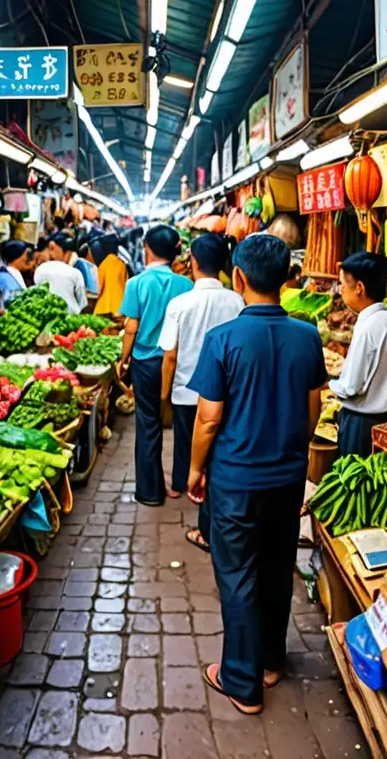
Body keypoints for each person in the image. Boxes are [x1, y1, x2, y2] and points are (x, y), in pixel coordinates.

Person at [187, 233, 325, 716]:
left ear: (238, 278)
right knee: (274, 567)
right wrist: (288, 447)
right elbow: (313, 410)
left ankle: (241, 681)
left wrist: (195, 470)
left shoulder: (222, 339)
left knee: (238, 573)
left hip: (236, 480)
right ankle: (269, 662)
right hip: (286, 478)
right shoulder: (308, 336)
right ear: (289, 279)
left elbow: (208, 418)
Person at [158, 234, 244, 549]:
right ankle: (211, 485)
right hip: (226, 391)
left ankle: (181, 485)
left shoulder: (180, 303)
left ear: (194, 262)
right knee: (218, 441)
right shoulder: (237, 301)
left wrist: (164, 393)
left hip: (186, 389)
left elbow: (170, 356)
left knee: (186, 439)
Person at [119, 224, 193, 506]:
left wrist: (123, 359)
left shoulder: (137, 283)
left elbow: (131, 327)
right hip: (178, 362)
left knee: (148, 423)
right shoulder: (186, 285)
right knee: (183, 421)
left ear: (147, 249)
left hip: (147, 363)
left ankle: (150, 492)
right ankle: (181, 483)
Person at [329, 252, 387, 456]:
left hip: (361, 425)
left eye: (342, 284)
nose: (340, 290)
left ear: (359, 288)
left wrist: (328, 383)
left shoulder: (369, 326)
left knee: (356, 483)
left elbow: (351, 387)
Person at [34, 233, 87, 313]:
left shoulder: (39, 270)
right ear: (52, 247)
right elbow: (82, 302)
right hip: (71, 316)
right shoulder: (75, 272)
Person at [0, 239, 34, 311]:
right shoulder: (5, 278)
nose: (26, 258)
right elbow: (12, 305)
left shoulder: (4, 274)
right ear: (18, 257)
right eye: (24, 255)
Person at [94, 234, 129, 316]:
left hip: (105, 307)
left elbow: (99, 288)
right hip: (121, 307)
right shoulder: (122, 263)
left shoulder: (104, 263)